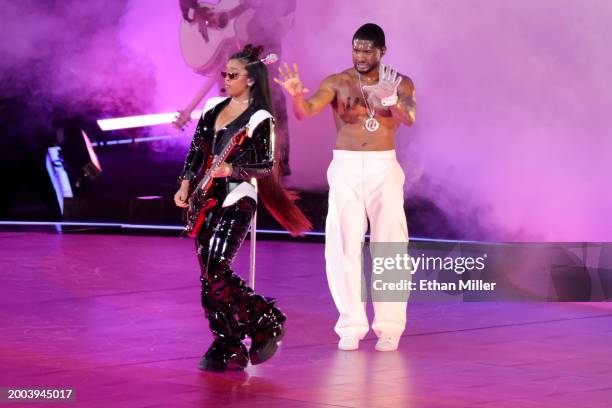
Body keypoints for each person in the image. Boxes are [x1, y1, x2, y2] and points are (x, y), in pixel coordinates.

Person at [274, 23, 416, 352]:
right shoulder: (338, 82)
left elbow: (408, 117)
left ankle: (390, 326)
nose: (360, 55)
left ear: (382, 51)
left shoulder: (400, 82)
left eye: (367, 50)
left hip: (383, 165)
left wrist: (391, 99)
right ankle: (350, 325)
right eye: (356, 49)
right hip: (346, 166)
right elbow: (305, 112)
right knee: (342, 245)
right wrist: (296, 95)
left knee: (390, 245)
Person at [174, 44, 311, 372]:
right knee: (208, 276)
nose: (225, 79)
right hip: (205, 197)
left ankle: (265, 318)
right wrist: (184, 183)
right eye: (224, 74)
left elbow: (264, 164)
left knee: (216, 267)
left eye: (232, 75)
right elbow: (197, 150)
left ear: (250, 80)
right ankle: (227, 340)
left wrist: (232, 170)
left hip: (237, 196)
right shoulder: (212, 107)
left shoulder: (260, 117)